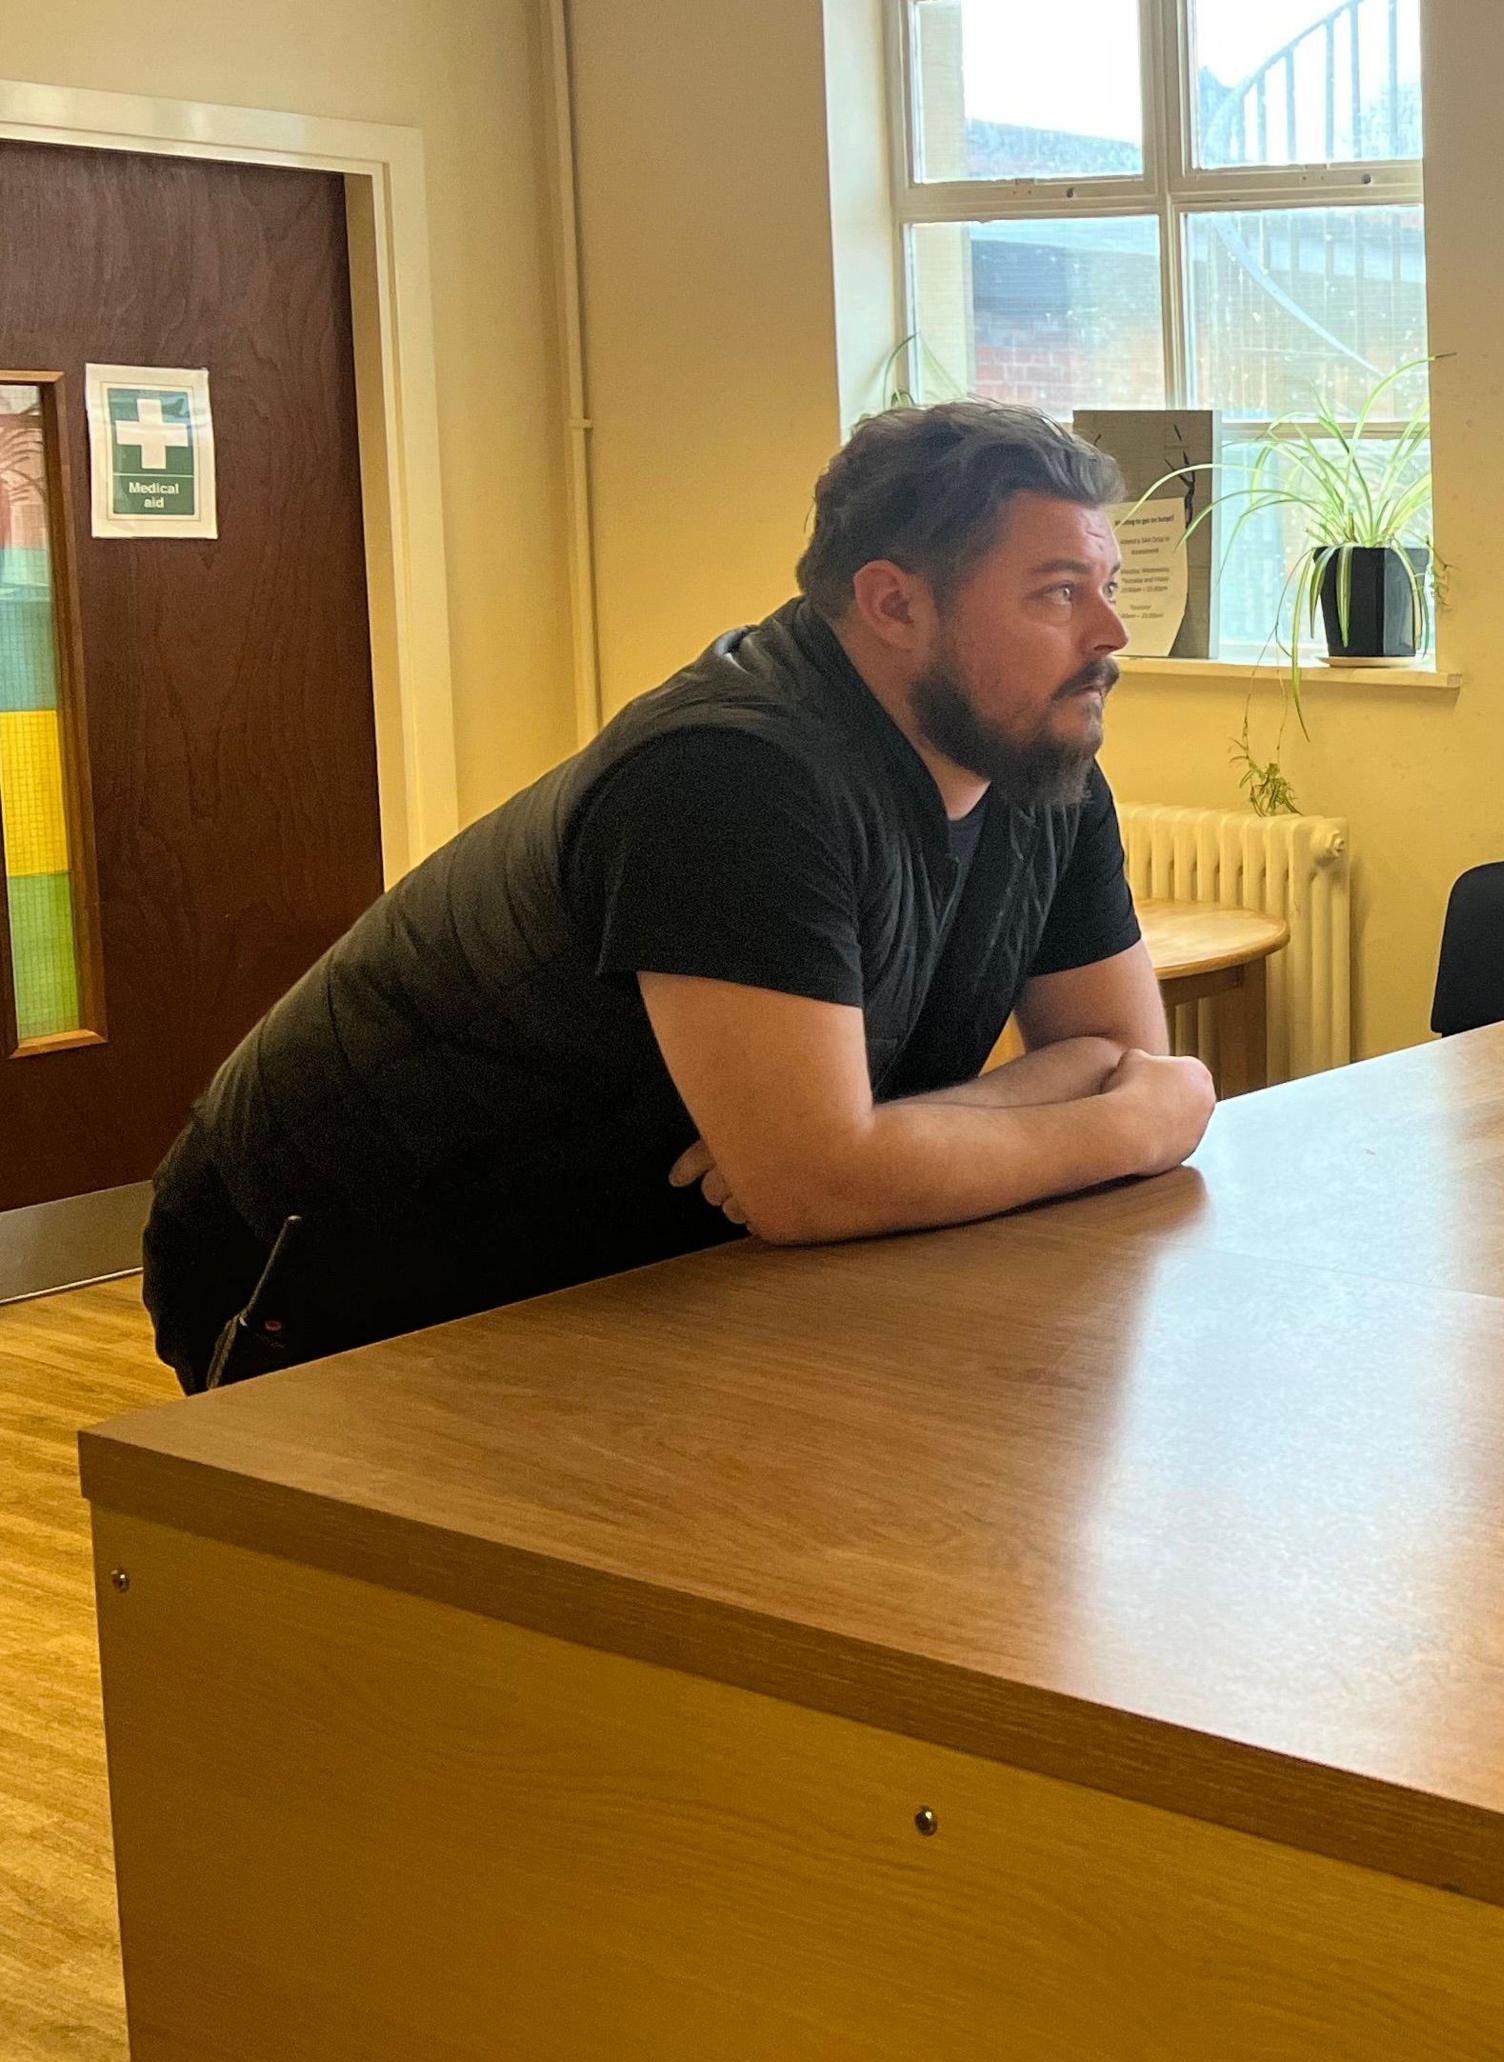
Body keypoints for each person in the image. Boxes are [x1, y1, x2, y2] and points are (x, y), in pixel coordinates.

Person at [142, 402, 1217, 1393]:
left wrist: (892, 1140)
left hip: (626, 1270)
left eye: (1108, 586)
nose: (1109, 637)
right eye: (1058, 593)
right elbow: (823, 1187)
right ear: (895, 602)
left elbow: (1116, 1059)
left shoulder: (1036, 759)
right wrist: (1143, 1122)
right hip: (342, 1264)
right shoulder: (731, 777)